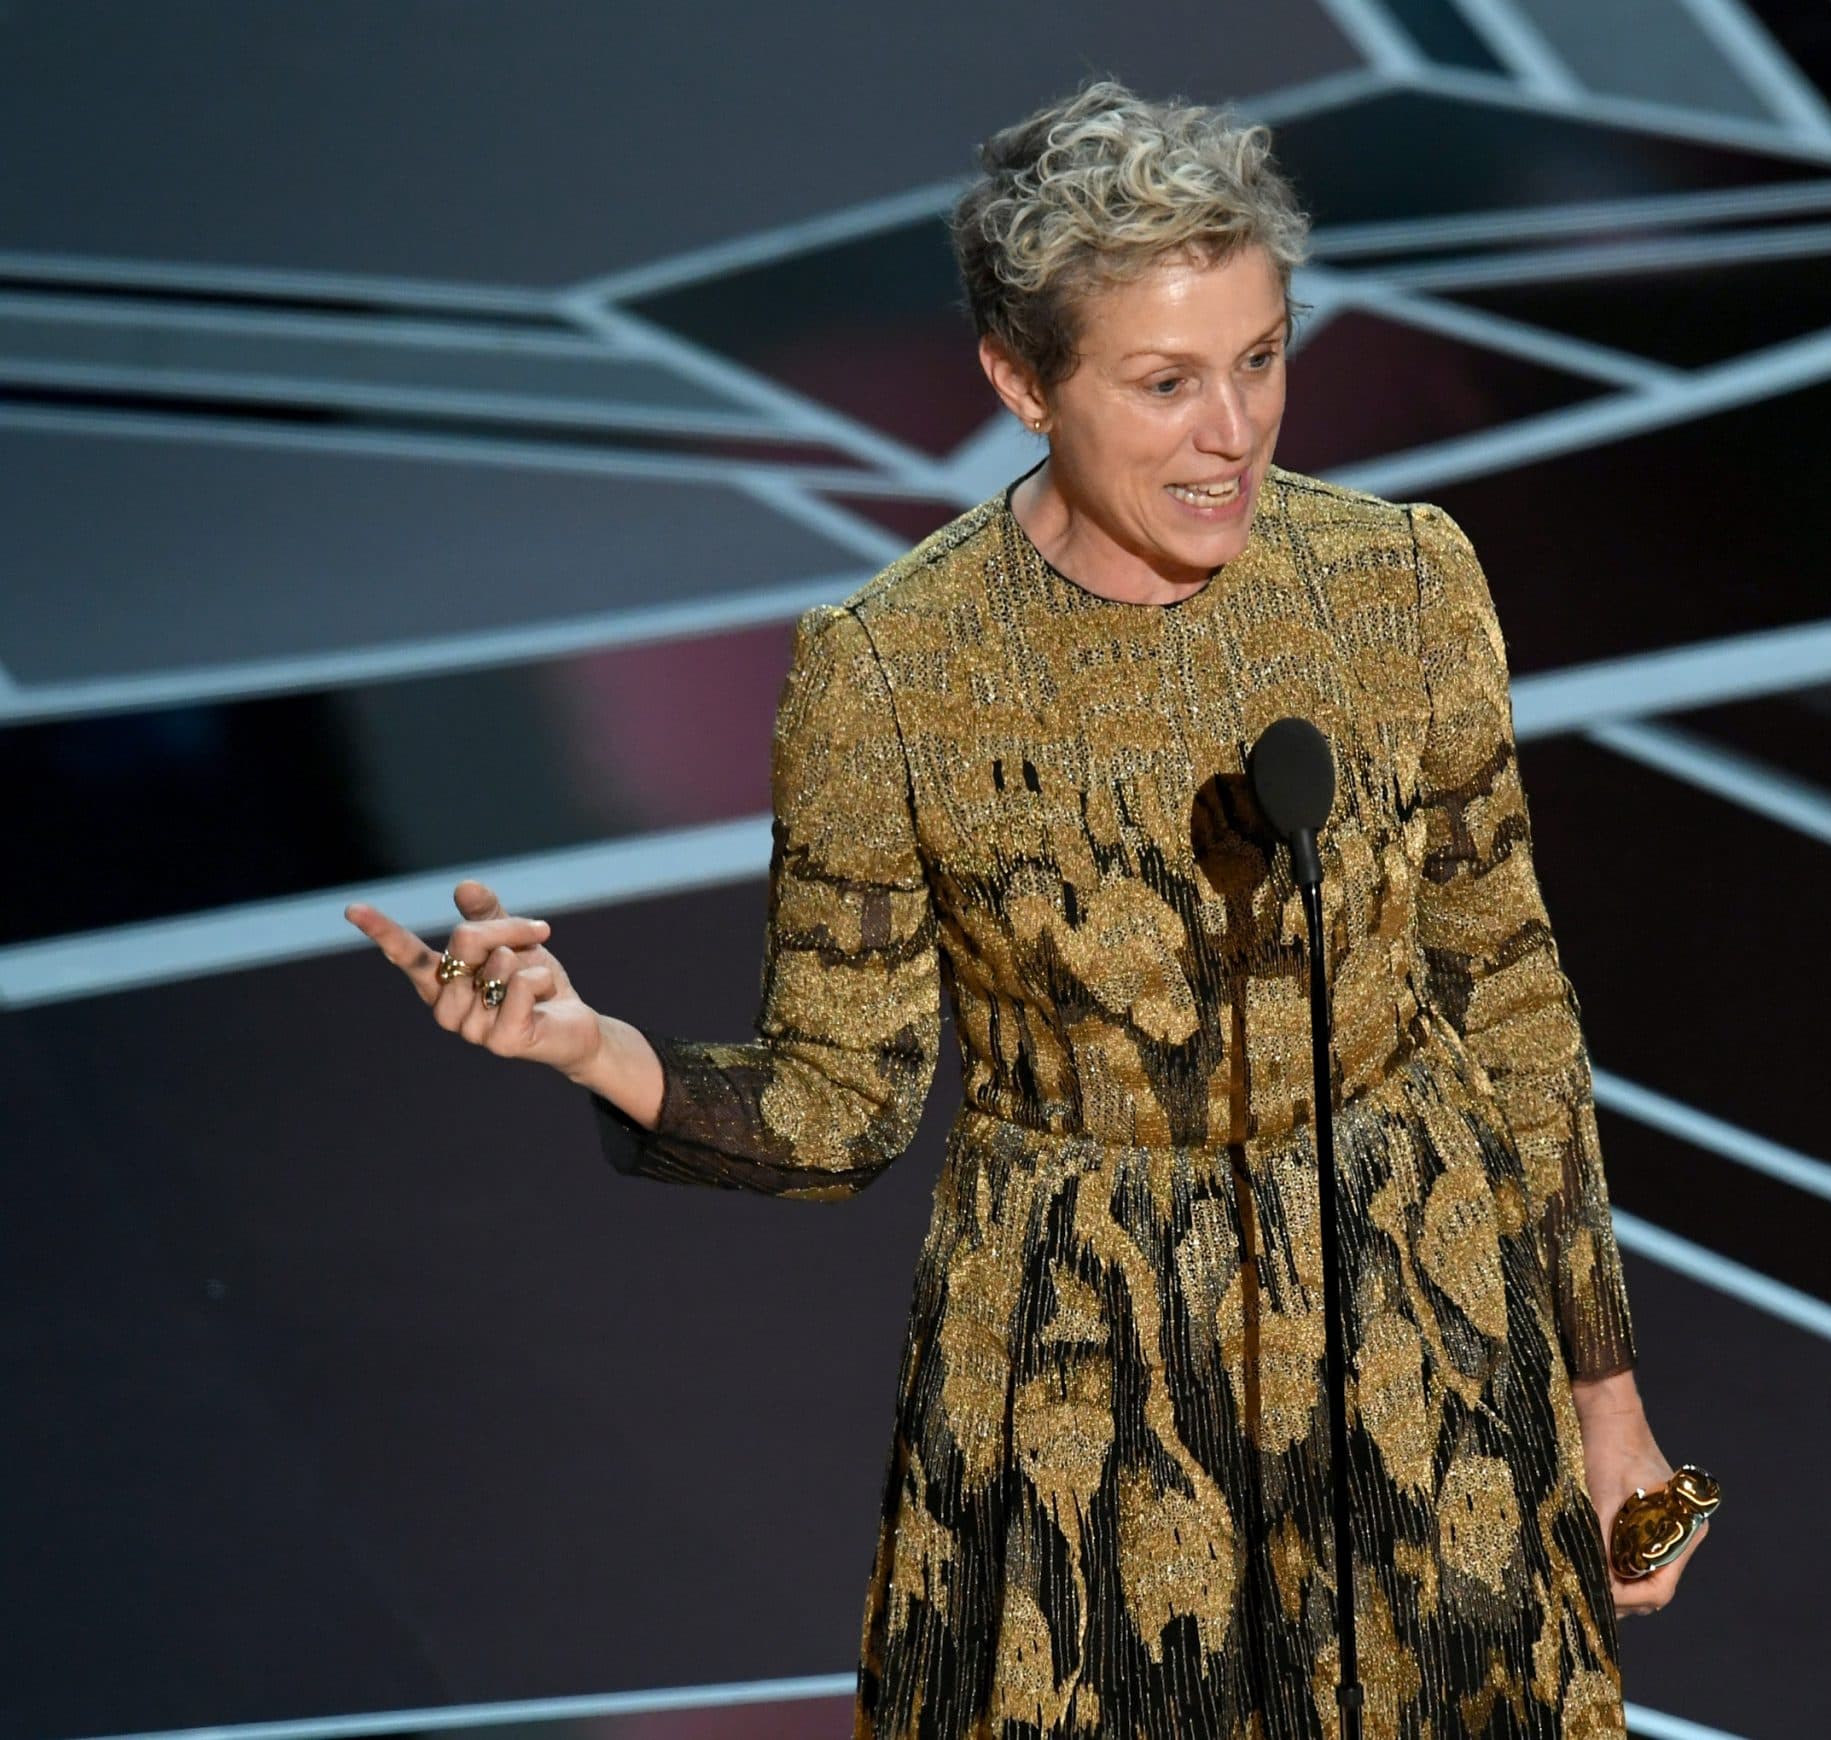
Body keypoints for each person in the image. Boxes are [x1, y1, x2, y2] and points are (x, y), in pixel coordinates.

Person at [347, 76, 1699, 1739]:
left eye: (1261, 358)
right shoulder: (892, 671)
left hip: (1416, 1326)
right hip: (1087, 1370)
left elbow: (1510, 995)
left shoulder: (1402, 583)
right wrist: (594, 1049)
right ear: (1018, 379)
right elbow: (841, 1102)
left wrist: (1606, 1400)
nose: (1233, 432)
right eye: (1166, 382)